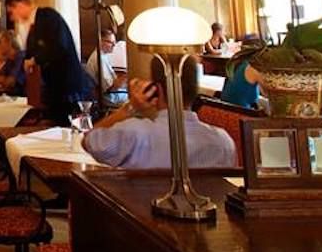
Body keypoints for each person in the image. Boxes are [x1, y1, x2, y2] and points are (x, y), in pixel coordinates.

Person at [84, 57, 236, 169]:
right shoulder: (224, 142)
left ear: (156, 89)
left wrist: (129, 108)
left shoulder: (133, 134)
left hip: (140, 211)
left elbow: (89, 141)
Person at [8, 0, 94, 125]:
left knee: (72, 129)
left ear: (20, 4)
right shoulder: (33, 27)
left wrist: (34, 60)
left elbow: (60, 46)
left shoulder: (47, 16)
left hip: (68, 86)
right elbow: (30, 54)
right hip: (54, 91)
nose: (13, 18)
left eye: (11, 12)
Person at [84, 28, 126, 102]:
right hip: (107, 97)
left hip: (110, 94)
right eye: (110, 42)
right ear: (100, 41)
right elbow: (110, 88)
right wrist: (125, 77)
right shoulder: (99, 58)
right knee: (134, 98)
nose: (114, 45)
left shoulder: (103, 55)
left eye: (114, 42)